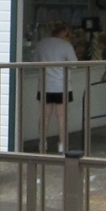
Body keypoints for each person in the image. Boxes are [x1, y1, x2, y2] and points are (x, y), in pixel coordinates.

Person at [36, 20, 78, 152]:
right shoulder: (66, 45)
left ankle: (42, 143)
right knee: (61, 117)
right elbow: (74, 64)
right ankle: (62, 145)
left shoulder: (41, 44)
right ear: (63, 31)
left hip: (45, 84)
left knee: (45, 116)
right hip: (62, 85)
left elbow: (34, 61)